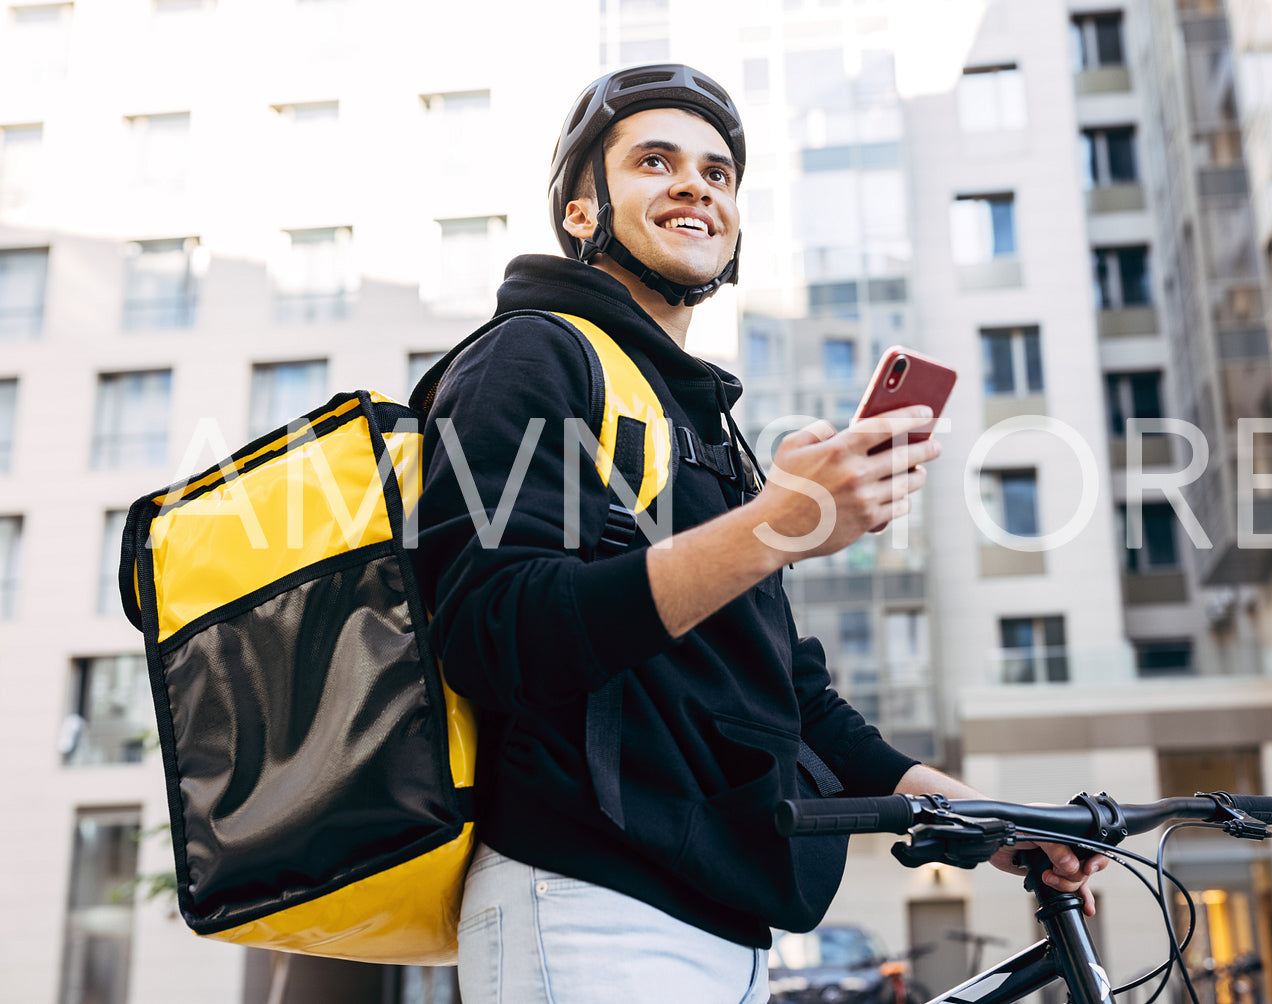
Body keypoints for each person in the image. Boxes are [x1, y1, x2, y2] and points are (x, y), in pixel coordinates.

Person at [413, 63, 1103, 1003]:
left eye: (718, 172)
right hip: (589, 900)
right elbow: (493, 631)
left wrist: (980, 816)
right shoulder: (530, 354)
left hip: (721, 920)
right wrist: (774, 527)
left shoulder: (697, 420)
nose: (695, 184)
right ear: (583, 214)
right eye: (654, 162)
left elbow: (788, 697)